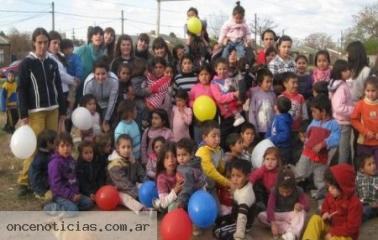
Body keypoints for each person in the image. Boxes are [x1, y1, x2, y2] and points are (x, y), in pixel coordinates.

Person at [17, 27, 66, 196]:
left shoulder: (52, 63)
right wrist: (23, 115)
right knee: (34, 147)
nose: (43, 46)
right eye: (40, 42)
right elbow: (21, 90)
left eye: (46, 42)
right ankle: (24, 181)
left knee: (52, 147)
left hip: (53, 110)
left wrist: (63, 111)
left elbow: (59, 88)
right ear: (34, 43)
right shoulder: (26, 64)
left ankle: (49, 176)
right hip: (35, 112)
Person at [295, 95, 340, 200]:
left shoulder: (333, 124)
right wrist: (306, 140)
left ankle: (323, 201)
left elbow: (336, 138)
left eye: (314, 111)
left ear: (323, 112)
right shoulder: (314, 121)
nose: (312, 114)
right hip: (307, 154)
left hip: (322, 158)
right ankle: (289, 190)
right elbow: (309, 133)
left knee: (320, 180)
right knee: (300, 173)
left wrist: (323, 143)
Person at [302, 164, 363, 240]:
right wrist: (325, 212)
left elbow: (352, 227)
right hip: (331, 228)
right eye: (328, 186)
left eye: (333, 187)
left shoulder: (355, 203)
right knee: (315, 219)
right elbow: (325, 206)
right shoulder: (331, 195)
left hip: (346, 235)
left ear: (344, 187)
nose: (330, 189)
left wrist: (333, 232)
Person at [44, 133, 94, 215]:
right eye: (62, 146)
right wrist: (71, 196)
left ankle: (71, 206)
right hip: (60, 195)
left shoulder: (72, 160)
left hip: (74, 193)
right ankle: (51, 207)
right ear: (57, 148)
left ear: (72, 146)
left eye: (68, 145)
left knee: (89, 203)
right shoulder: (54, 163)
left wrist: (77, 194)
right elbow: (56, 185)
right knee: (73, 211)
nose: (66, 149)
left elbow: (75, 178)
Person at [258, 166, 309, 240]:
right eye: (282, 191)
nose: (285, 194)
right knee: (261, 216)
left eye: (288, 192)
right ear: (277, 187)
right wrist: (273, 223)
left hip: (291, 215)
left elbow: (307, 207)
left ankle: (293, 234)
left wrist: (301, 206)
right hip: (277, 215)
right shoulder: (274, 191)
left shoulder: (298, 191)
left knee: (302, 213)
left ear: (293, 187)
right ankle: (289, 229)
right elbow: (270, 208)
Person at [211, 58, 245, 137]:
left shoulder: (231, 79)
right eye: (220, 69)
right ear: (216, 69)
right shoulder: (214, 83)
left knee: (238, 137)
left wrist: (240, 97)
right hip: (227, 116)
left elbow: (239, 90)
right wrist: (233, 95)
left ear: (228, 69)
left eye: (224, 69)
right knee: (226, 137)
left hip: (239, 111)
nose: (222, 71)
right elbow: (220, 98)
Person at [328, 59, 354, 164]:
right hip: (343, 122)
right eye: (346, 70)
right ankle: (341, 172)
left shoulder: (336, 84)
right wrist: (354, 109)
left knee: (339, 148)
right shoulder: (341, 87)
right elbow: (339, 107)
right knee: (344, 150)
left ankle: (336, 169)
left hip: (338, 121)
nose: (349, 72)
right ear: (340, 72)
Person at [195, 121, 231, 195]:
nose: (217, 139)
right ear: (205, 137)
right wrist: (229, 183)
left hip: (212, 184)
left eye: (219, 136)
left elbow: (220, 170)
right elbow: (211, 172)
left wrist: (223, 161)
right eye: (214, 136)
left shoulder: (219, 150)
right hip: (201, 188)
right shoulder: (203, 151)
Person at [83, 60, 119, 132]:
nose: (100, 77)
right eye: (97, 74)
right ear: (93, 73)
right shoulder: (89, 82)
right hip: (94, 103)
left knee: (108, 124)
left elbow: (112, 101)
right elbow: (86, 102)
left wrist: (106, 120)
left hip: (107, 103)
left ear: (108, 73)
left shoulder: (114, 80)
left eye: (103, 74)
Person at [107, 134, 145, 200]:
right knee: (131, 200)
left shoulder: (132, 159)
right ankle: (142, 209)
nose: (126, 150)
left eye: (129, 147)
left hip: (132, 187)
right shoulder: (115, 165)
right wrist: (139, 193)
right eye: (123, 147)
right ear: (118, 148)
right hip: (118, 190)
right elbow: (124, 184)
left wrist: (146, 184)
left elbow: (141, 173)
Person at [351, 77, 378, 167]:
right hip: (364, 142)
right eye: (368, 90)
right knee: (363, 165)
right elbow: (354, 120)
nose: (370, 94)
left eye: (373, 91)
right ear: (364, 91)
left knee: (375, 166)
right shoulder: (360, 104)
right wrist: (365, 131)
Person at [176, 138, 206, 208]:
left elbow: (187, 187)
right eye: (178, 155)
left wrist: (181, 201)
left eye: (184, 155)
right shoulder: (195, 163)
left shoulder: (187, 170)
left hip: (192, 198)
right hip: (200, 193)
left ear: (191, 154)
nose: (181, 158)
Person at [153, 142, 184, 212]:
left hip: (182, 199)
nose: (171, 160)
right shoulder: (161, 178)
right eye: (167, 157)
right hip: (168, 203)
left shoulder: (182, 170)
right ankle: (156, 205)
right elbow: (164, 203)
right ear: (162, 161)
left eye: (173, 156)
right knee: (172, 206)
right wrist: (175, 191)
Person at [188, 64, 214, 144]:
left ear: (210, 75)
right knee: (199, 141)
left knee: (210, 140)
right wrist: (195, 105)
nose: (204, 77)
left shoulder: (213, 87)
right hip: (198, 120)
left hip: (211, 120)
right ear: (198, 76)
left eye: (206, 74)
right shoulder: (195, 88)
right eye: (201, 74)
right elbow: (189, 100)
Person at [230, 159, 255, 240]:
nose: (235, 179)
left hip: (243, 225)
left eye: (238, 176)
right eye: (233, 175)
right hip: (235, 218)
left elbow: (242, 218)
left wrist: (238, 236)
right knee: (218, 221)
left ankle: (244, 236)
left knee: (217, 231)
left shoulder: (245, 196)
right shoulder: (243, 185)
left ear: (247, 176)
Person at [28, 129, 57, 201]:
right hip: (42, 186)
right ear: (49, 143)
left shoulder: (50, 152)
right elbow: (35, 176)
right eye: (56, 142)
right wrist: (41, 191)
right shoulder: (40, 159)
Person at [248, 68, 276, 137]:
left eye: (271, 82)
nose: (269, 84)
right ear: (260, 83)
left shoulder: (273, 95)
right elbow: (252, 113)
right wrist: (254, 129)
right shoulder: (255, 96)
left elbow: (275, 111)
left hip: (271, 128)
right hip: (260, 129)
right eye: (267, 82)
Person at [266, 96, 293, 164]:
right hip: (277, 147)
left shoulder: (282, 120)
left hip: (282, 149)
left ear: (276, 107)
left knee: (280, 166)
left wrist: (271, 139)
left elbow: (285, 135)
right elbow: (272, 129)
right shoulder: (279, 117)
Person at [60, 38, 84, 114]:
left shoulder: (76, 57)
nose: (67, 50)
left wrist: (78, 76)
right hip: (66, 80)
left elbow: (79, 67)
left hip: (75, 79)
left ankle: (70, 110)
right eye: (65, 49)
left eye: (69, 48)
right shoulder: (62, 58)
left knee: (72, 94)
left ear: (72, 48)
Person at [355, 154, 378, 221]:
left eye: (373, 163)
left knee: (365, 210)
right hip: (361, 203)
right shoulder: (358, 178)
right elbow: (356, 192)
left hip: (374, 206)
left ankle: (357, 219)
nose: (373, 166)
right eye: (369, 164)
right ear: (362, 169)